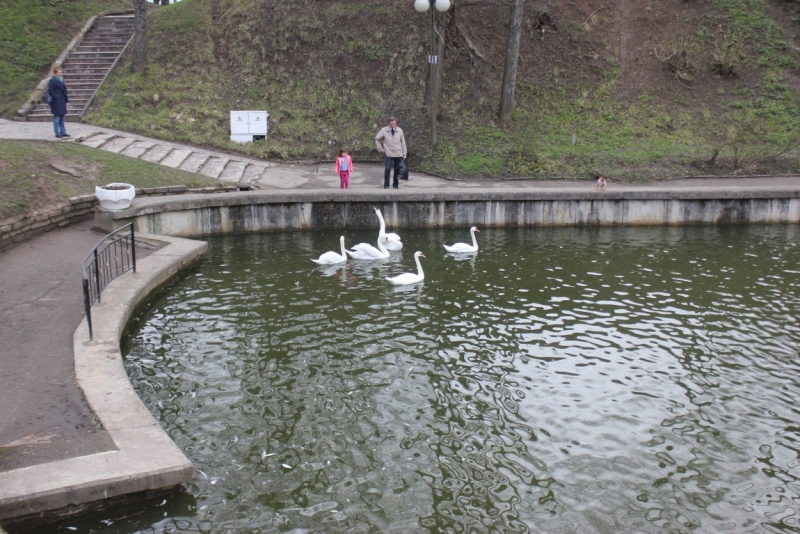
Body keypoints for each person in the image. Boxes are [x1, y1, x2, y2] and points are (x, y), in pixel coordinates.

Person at [375, 117, 407, 189]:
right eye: (391, 124)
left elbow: (403, 143)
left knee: (397, 169)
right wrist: (380, 149)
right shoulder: (384, 130)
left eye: (394, 124)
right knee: (387, 169)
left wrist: (404, 154)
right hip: (388, 153)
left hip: (398, 153)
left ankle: (395, 185)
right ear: (389, 123)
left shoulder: (399, 130)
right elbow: (377, 138)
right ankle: (386, 185)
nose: (393, 125)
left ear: (396, 123)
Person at [48, 65, 70, 139]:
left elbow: (65, 91)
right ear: (55, 73)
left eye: (61, 72)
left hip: (62, 100)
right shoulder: (53, 80)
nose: (60, 73)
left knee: (62, 116)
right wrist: (56, 97)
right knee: (57, 117)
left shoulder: (62, 80)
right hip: (56, 101)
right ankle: (57, 133)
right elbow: (50, 91)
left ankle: (63, 132)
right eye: (59, 72)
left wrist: (67, 100)